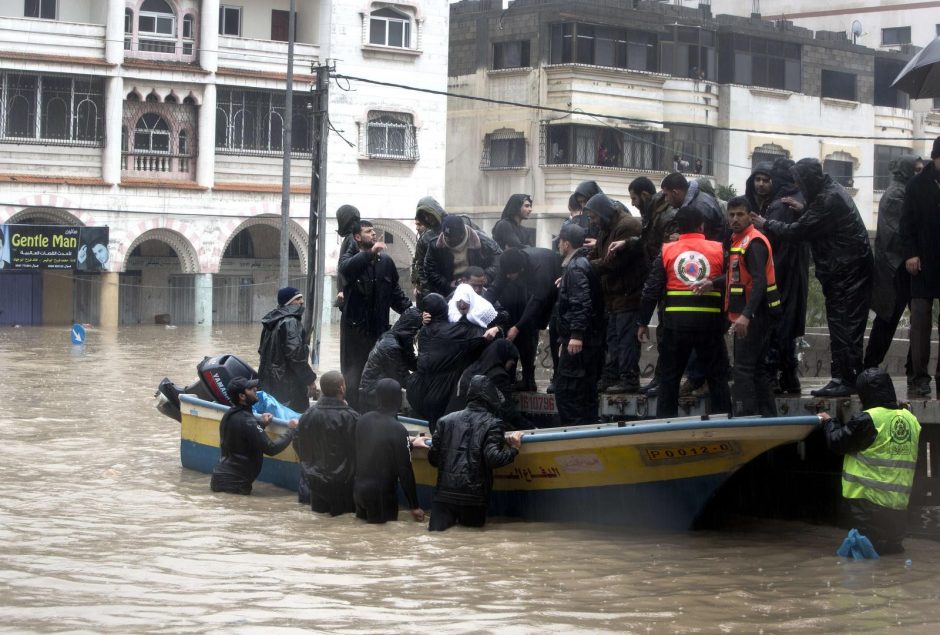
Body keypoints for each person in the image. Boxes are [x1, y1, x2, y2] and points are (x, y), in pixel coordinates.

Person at [754, 158, 873, 397]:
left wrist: (766, 223)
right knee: (843, 326)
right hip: (844, 272)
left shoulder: (827, 199)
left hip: (847, 274)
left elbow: (797, 232)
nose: (798, 185)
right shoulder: (829, 192)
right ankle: (845, 376)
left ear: (809, 180)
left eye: (800, 180)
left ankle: (845, 379)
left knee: (844, 327)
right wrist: (806, 210)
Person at [638, 206, 731, 418]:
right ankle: (724, 423)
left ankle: (666, 425)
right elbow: (735, 278)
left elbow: (651, 289)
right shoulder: (718, 249)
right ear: (702, 226)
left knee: (669, 379)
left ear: (678, 227)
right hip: (710, 325)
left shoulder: (667, 250)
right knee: (717, 378)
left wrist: (642, 321)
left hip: (675, 326)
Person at [822, 368, 921, 555]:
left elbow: (837, 442)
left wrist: (829, 422)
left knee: (861, 561)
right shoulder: (911, 419)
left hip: (867, 510)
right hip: (898, 511)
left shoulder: (869, 419)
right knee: (891, 559)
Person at [698, 197, 781, 417]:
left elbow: (759, 281)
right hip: (751, 314)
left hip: (754, 315)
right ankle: (767, 418)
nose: (734, 219)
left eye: (740, 214)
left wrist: (746, 315)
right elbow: (737, 275)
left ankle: (746, 417)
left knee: (743, 369)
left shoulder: (753, 242)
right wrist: (712, 283)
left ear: (750, 216)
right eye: (731, 214)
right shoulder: (739, 241)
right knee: (758, 370)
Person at [415, 375, 523, 531]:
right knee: (471, 544)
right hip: (474, 498)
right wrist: (514, 449)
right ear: (490, 396)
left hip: (443, 497)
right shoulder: (494, 423)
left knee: (437, 540)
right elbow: (493, 458)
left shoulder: (444, 421)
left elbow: (433, 459)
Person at [338, 219, 412, 410]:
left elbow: (395, 294)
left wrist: (412, 313)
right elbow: (346, 270)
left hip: (379, 332)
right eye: (368, 231)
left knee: (379, 376)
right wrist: (370, 254)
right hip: (355, 334)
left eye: (373, 231)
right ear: (357, 237)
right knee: (354, 377)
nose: (373, 234)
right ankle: (354, 414)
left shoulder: (386, 262)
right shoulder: (350, 259)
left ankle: (377, 414)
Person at [406, 293, 496, 430]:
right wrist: (497, 328)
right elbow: (481, 336)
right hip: (442, 389)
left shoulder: (424, 330)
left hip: (418, 389)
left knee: (435, 432)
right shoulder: (454, 330)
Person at [584, 192, 645, 393]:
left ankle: (629, 379)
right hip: (612, 296)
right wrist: (583, 263)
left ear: (602, 213)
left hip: (628, 294)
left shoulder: (626, 226)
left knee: (626, 340)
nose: (592, 222)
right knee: (613, 340)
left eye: (593, 217)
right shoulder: (606, 228)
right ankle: (611, 377)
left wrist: (584, 268)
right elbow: (597, 254)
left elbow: (613, 262)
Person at [864, 154, 919, 374]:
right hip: (895, 269)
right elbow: (900, 233)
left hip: (904, 268)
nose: (919, 173)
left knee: (917, 320)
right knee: (888, 320)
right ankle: (869, 366)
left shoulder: (905, 192)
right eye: (915, 169)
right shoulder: (897, 194)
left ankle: (912, 368)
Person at [762, 158, 810, 395]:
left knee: (776, 325)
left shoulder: (781, 205)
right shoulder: (802, 200)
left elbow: (774, 243)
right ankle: (789, 376)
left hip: (780, 273)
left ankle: (772, 375)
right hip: (798, 272)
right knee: (788, 327)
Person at [485, 247, 560, 392]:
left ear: (521, 269)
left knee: (547, 329)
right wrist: (478, 310)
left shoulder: (541, 268)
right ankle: (527, 380)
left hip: (555, 292)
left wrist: (517, 326)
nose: (507, 277)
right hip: (532, 296)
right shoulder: (509, 263)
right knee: (524, 330)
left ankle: (556, 377)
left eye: (510, 274)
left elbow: (538, 300)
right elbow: (494, 289)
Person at [899, 137, 940, 397]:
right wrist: (911, 254)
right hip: (923, 263)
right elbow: (906, 225)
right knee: (921, 321)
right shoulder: (916, 185)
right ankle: (919, 376)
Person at [210, 377, 298, 495]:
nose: (255, 389)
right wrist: (291, 430)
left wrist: (261, 424)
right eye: (251, 389)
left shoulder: (229, 415)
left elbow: (242, 435)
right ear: (242, 396)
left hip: (219, 478)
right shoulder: (247, 421)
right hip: (235, 484)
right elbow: (271, 448)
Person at [353, 379, 425, 524]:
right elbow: (405, 471)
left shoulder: (362, 421)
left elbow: (374, 447)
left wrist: (408, 444)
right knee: (383, 540)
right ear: (399, 399)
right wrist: (414, 505)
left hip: (359, 490)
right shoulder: (398, 430)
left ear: (377, 397)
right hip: (381, 495)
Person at [629, 178, 676, 396]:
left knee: (667, 334)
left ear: (645, 195)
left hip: (668, 281)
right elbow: (647, 243)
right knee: (664, 333)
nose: (633, 203)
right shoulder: (652, 215)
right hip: (661, 280)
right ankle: (661, 378)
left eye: (635, 198)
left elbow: (665, 251)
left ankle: (664, 380)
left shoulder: (664, 216)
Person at [555, 224, 605, 424]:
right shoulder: (583, 264)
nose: (558, 245)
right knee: (585, 394)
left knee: (569, 394)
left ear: (566, 244)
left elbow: (581, 302)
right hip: (591, 341)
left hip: (580, 344)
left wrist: (575, 335)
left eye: (559, 242)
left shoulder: (576, 268)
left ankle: (574, 437)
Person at [293, 371, 359, 515]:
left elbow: (297, 443)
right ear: (341, 388)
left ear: (322, 390)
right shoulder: (351, 417)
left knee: (319, 522)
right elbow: (360, 450)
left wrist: (309, 468)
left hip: (316, 482)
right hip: (344, 485)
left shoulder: (308, 415)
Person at [258, 286, 318, 412]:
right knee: (294, 418)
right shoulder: (291, 321)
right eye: (297, 299)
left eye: (301, 298)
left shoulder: (271, 322)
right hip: (289, 386)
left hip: (270, 383)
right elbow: (296, 356)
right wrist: (310, 380)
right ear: (288, 302)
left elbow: (261, 352)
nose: (302, 301)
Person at [446, 338, 529, 430]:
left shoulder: (470, 369)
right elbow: (508, 410)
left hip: (452, 424)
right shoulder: (498, 375)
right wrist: (531, 428)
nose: (513, 362)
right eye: (511, 358)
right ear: (504, 355)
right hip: (474, 429)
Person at [358, 307, 423, 413]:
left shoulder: (397, 338)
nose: (417, 335)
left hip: (377, 391)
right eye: (417, 331)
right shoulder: (391, 347)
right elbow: (403, 379)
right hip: (373, 396)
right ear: (411, 330)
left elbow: (411, 362)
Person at [424, 215, 501, 297]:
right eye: (446, 237)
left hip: (478, 289)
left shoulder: (482, 241)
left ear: (462, 234)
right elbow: (430, 271)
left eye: (453, 239)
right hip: (449, 292)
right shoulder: (435, 246)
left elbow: (499, 260)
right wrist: (447, 285)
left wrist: (484, 278)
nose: (448, 240)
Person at [661, 172, 729, 246]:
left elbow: (700, 244)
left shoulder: (700, 208)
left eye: (666, 195)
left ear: (675, 193)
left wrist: (681, 239)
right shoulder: (694, 201)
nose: (665, 199)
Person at [411, 196, 446, 302]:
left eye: (428, 214)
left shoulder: (458, 225)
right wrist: (425, 292)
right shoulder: (425, 238)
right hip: (434, 287)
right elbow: (419, 266)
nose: (427, 218)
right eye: (424, 216)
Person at [334, 204, 361, 310]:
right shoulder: (350, 238)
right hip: (347, 293)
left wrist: (342, 290)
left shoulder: (351, 239)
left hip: (350, 293)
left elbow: (349, 267)